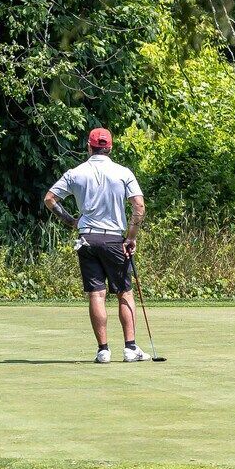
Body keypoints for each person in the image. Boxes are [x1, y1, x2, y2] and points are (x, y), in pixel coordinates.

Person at [43, 127, 151, 363]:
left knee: (97, 293)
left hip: (87, 239)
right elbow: (139, 206)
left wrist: (70, 221)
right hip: (114, 239)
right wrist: (131, 237)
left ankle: (103, 351)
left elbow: (49, 199)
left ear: (89, 147)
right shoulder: (123, 172)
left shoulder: (75, 173)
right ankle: (130, 348)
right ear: (110, 147)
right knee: (124, 292)